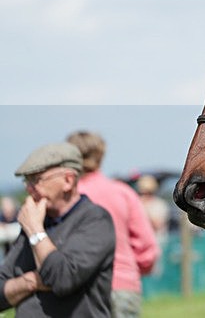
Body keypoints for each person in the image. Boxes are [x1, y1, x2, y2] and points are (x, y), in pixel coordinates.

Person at [0, 142, 115, 317]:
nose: (29, 189)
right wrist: (31, 281)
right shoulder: (35, 222)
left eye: (36, 180)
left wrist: (36, 231)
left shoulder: (95, 220)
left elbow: (62, 279)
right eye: (26, 181)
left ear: (68, 180)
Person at [67, 131, 160, 318]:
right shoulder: (123, 193)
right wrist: (132, 270)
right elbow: (147, 247)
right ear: (101, 155)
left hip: (79, 288)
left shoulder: (68, 196)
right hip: (124, 284)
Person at [135, 175, 169, 239]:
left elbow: (157, 225)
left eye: (145, 193)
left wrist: (142, 209)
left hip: (158, 242)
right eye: (141, 193)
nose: (143, 196)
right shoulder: (138, 204)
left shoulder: (159, 205)